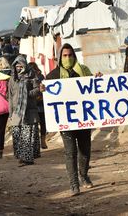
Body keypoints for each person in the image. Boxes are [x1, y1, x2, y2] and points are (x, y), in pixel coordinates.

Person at [45, 43, 99, 196]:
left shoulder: (84, 71)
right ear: (60, 58)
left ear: (74, 56)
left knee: (85, 151)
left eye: (70, 55)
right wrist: (42, 89)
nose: (68, 58)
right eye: (65, 55)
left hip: (84, 119)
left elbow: (95, 89)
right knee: (70, 152)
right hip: (65, 121)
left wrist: (98, 80)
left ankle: (84, 175)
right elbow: (41, 94)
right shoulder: (53, 76)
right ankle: (74, 184)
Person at [8, 55, 41, 166]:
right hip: (16, 112)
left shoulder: (32, 75)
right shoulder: (13, 78)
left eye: (20, 65)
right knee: (17, 135)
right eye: (16, 66)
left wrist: (28, 93)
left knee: (27, 135)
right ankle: (21, 156)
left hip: (29, 111)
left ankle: (27, 158)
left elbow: (37, 90)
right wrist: (10, 113)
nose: (18, 67)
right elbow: (10, 96)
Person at [28, 62, 48, 149]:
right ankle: (42, 141)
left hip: (35, 104)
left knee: (35, 124)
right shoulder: (41, 76)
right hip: (41, 104)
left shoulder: (30, 78)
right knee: (42, 123)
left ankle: (38, 143)